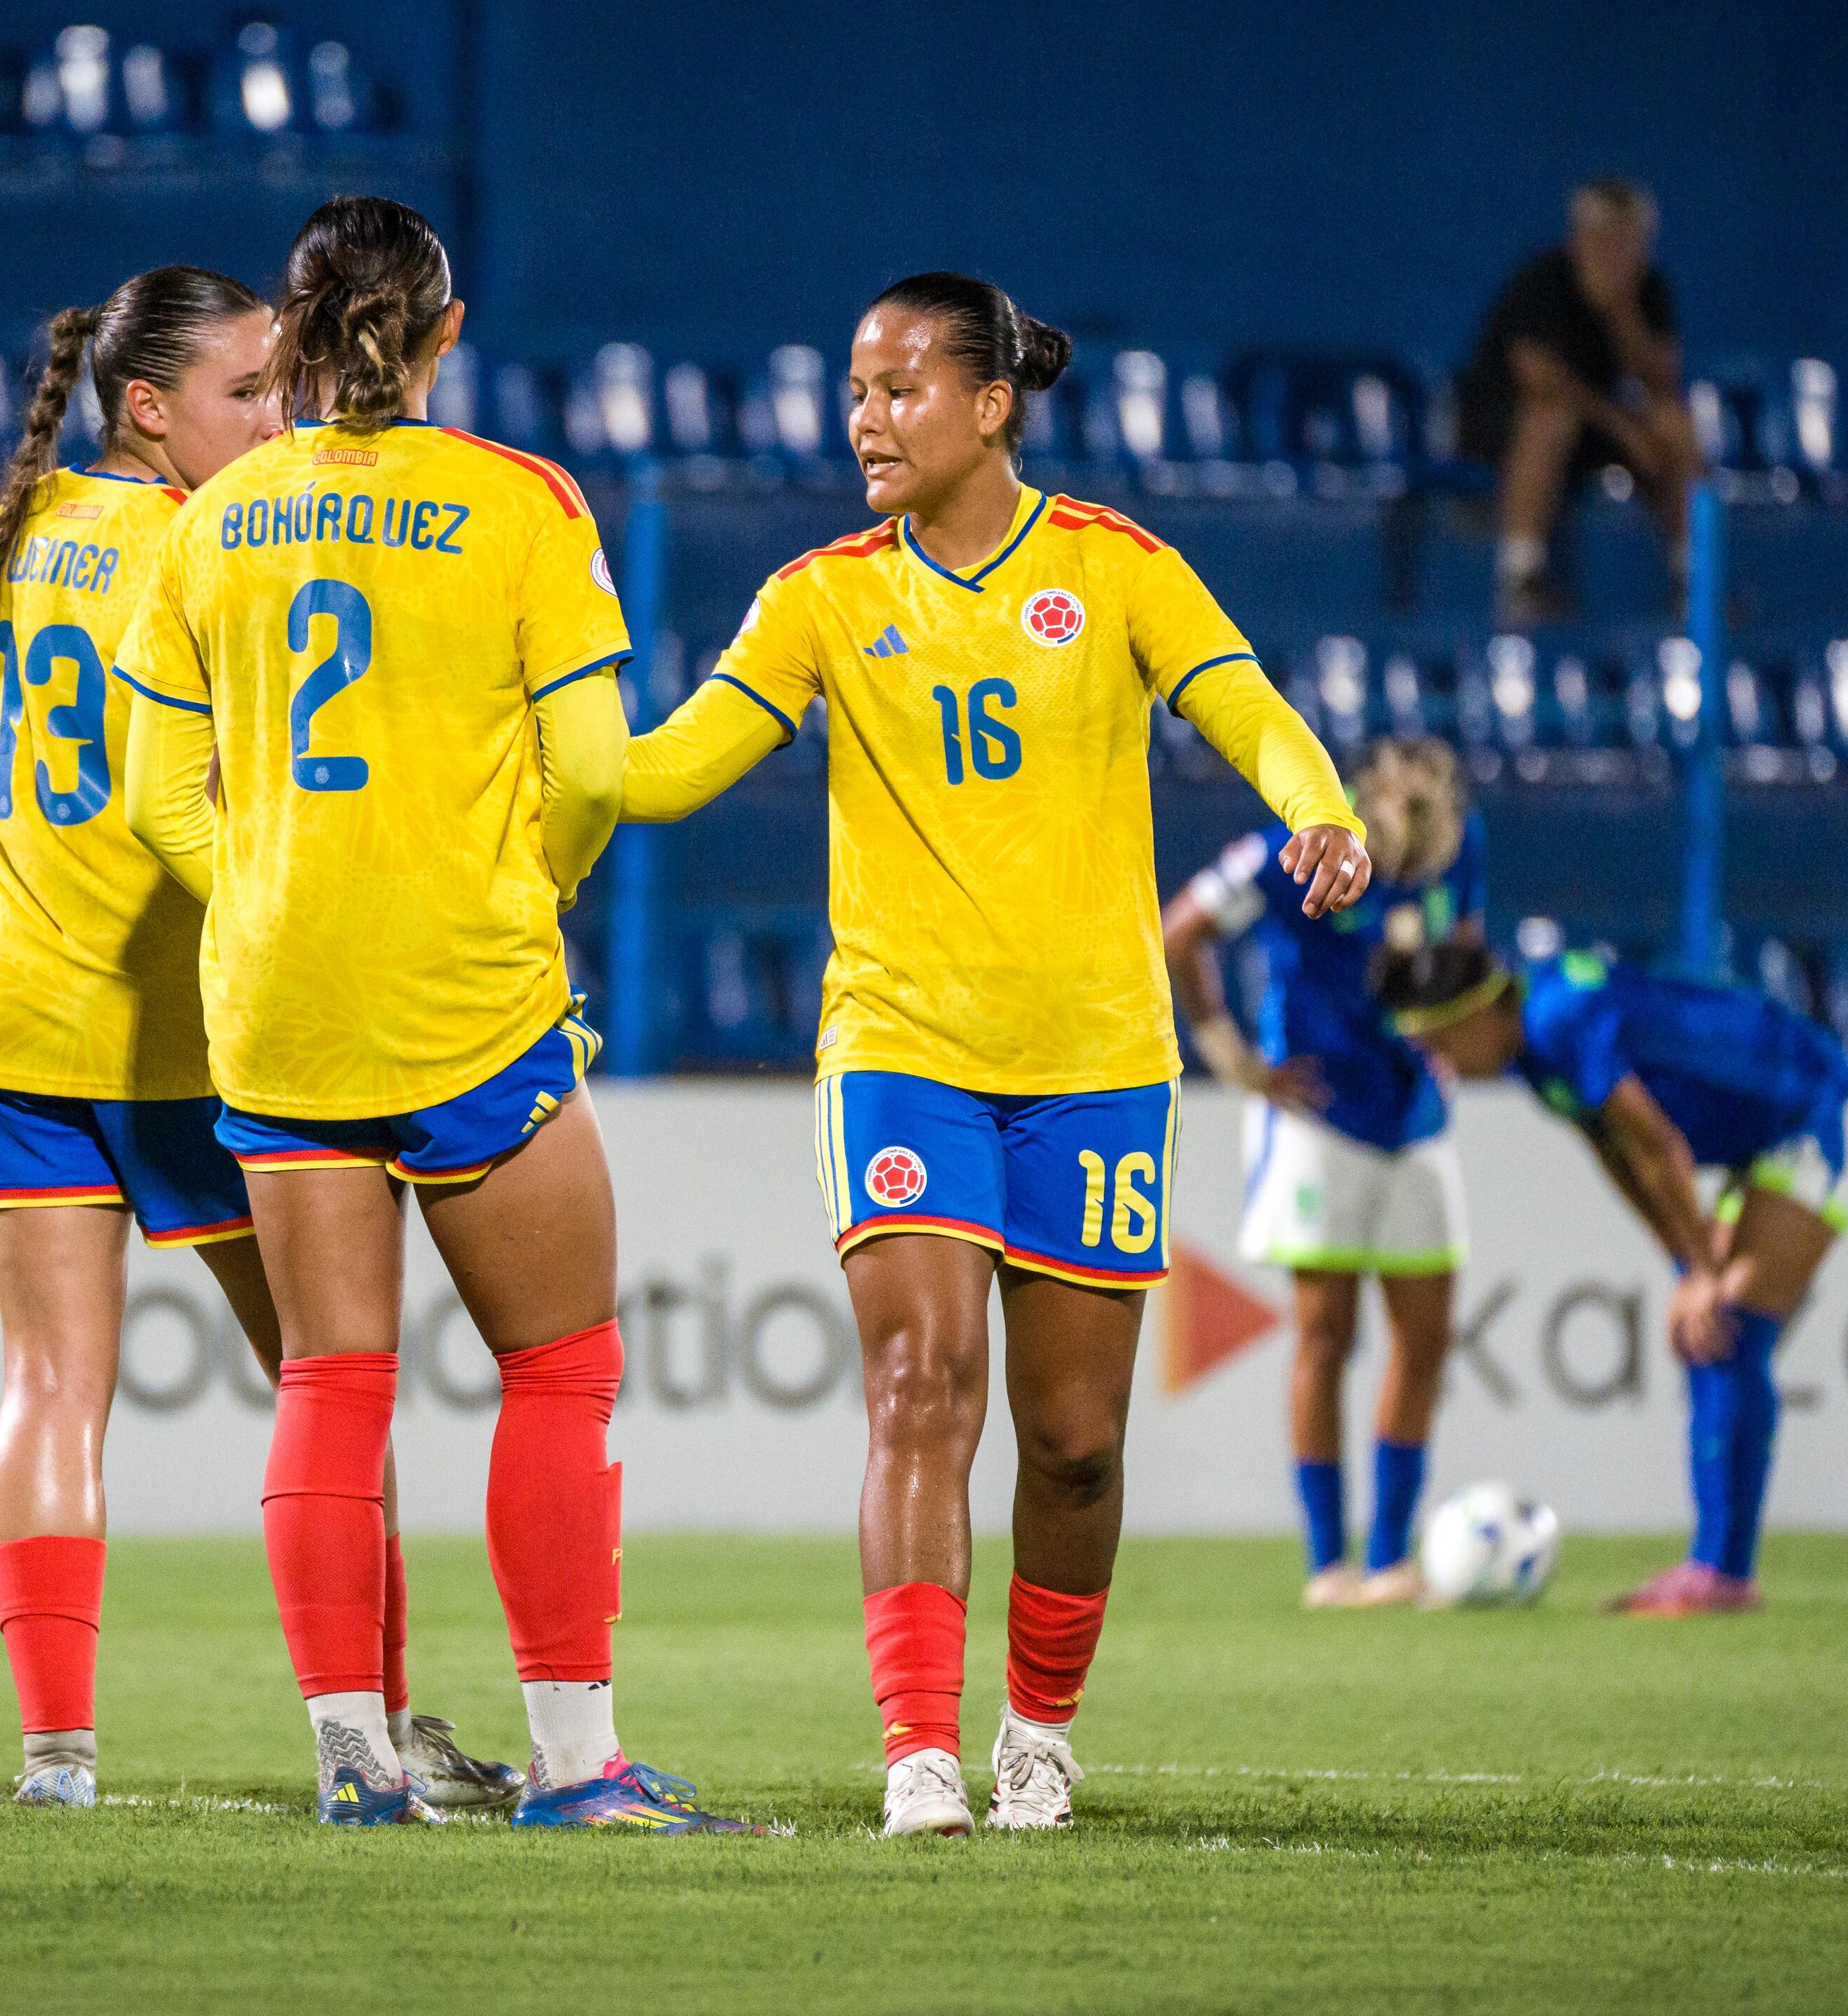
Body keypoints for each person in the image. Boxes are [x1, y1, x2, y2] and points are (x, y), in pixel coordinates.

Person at [621, 271, 1369, 1836]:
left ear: (989, 405)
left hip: (1097, 1051)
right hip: (899, 1044)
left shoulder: (1114, 568)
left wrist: (1321, 807)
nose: (864, 422)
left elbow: (1250, 711)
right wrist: (516, 770)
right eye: (854, 391)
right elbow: (674, 766)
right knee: (916, 1381)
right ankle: (917, 1750)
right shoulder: (821, 594)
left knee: (1078, 1445)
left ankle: (1038, 1732)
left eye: (899, 390)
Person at [114, 194, 745, 1832]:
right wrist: (516, 888)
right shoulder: (521, 503)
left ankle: (355, 1757)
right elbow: (598, 769)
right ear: (443, 332)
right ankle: (576, 1764)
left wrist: (263, 882)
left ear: (295, 334)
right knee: (559, 1373)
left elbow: (153, 796)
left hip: (276, 1000)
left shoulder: (212, 519)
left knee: (331, 1378)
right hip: (466, 993)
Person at [0, 268, 517, 1811]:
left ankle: (57, 1754)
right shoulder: (214, 541)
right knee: (335, 1380)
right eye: (251, 393)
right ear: (148, 406)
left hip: (3, 1015)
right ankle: (373, 1728)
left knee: (49, 1383)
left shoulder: (2, 542)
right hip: (194, 1029)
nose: (281, 419)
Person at [1375, 930, 1848, 1616]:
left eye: (1437, 1041)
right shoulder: (1527, 1044)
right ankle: (1715, 1567)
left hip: (1821, 1110)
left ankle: (1721, 1576)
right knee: (1709, 1329)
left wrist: (1704, 1275)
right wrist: (1686, 1268)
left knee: (1728, 1329)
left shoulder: (1555, 1019)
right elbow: (1616, 1154)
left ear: (1474, 1011)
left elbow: (1657, 1146)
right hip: (1764, 1139)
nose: (1435, 1061)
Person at [1167, 740, 1481, 1607]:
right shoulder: (1290, 850)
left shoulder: (1463, 842)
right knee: (1325, 1337)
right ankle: (1326, 1562)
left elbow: (1464, 940)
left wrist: (1447, 1025)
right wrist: (1234, 1059)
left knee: (1423, 1340)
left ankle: (1389, 1558)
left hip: (1414, 1116)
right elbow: (1179, 929)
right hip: (1315, 1116)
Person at [1454, 178, 1702, 619]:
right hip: (1503, 428)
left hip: (1590, 432)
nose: (1616, 252)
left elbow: (1664, 381)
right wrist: (1625, 431)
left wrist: (1621, 313)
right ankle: (1520, 581)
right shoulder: (1544, 279)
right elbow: (1540, 380)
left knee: (1673, 425)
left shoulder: (1648, 290)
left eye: (1628, 241)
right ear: (1580, 236)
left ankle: (1694, 581)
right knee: (1551, 420)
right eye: (1604, 238)